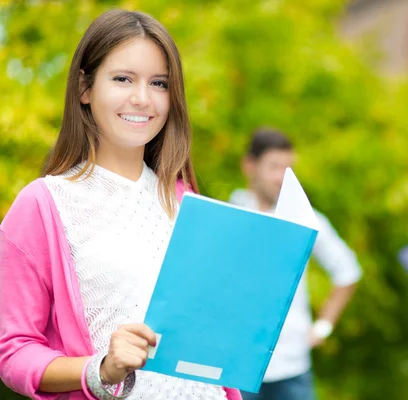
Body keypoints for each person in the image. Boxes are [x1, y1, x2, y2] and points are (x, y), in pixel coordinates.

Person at [0, 9, 241, 400]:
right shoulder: (44, 204)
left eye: (159, 83)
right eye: (123, 79)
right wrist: (100, 368)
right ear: (85, 87)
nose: (142, 98)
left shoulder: (187, 200)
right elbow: (14, 352)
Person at [230, 128, 362, 400]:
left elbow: (348, 271)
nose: (282, 178)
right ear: (249, 166)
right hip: (237, 366)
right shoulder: (230, 214)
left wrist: (323, 327)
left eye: (288, 169)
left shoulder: (305, 219)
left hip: (293, 367)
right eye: (274, 167)